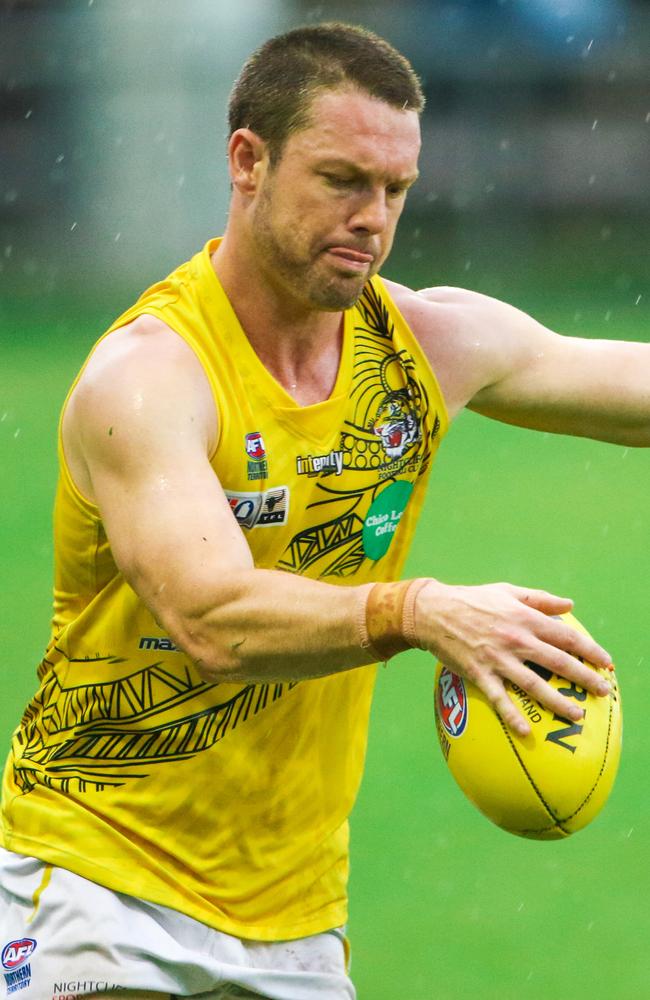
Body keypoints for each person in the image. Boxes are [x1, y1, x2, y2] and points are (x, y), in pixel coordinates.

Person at [0, 20, 644, 1000]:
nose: (372, 218)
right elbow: (210, 614)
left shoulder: (423, 346)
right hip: (96, 886)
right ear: (247, 161)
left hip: (296, 921)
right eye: (342, 180)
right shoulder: (148, 379)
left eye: (394, 191)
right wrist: (412, 608)